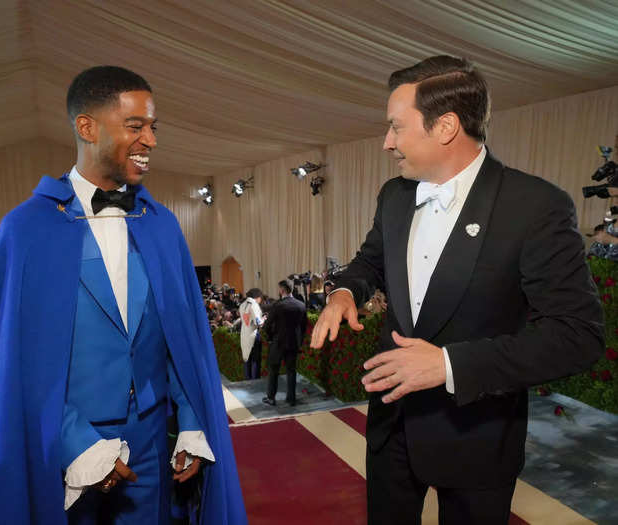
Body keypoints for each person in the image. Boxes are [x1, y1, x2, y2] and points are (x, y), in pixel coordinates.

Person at [311, 55, 604, 525]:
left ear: (445, 126)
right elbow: (369, 261)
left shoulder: (534, 206)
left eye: (396, 128)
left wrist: (449, 364)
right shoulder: (395, 196)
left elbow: (578, 336)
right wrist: (345, 291)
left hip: (477, 437)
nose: (387, 143)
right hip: (392, 430)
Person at [0, 66, 246, 525]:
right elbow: (16, 363)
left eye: (153, 127)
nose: (150, 140)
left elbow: (182, 343)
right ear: (86, 127)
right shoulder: (26, 230)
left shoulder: (163, 225)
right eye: (135, 126)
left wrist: (190, 422)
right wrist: (78, 445)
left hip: (153, 443)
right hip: (61, 446)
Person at [262, 279, 307, 407]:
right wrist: (300, 341)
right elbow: (304, 327)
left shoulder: (278, 305)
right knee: (291, 371)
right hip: (293, 343)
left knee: (274, 370)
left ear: (282, 290)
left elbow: (267, 325)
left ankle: (271, 398)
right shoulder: (301, 305)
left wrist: (270, 337)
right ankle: (291, 399)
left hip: (278, 342)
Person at [238, 288, 264, 379]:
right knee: (255, 361)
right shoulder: (254, 304)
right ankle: (254, 383)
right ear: (257, 297)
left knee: (246, 359)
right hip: (253, 335)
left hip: (244, 334)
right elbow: (258, 322)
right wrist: (264, 319)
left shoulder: (242, 305)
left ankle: (247, 381)